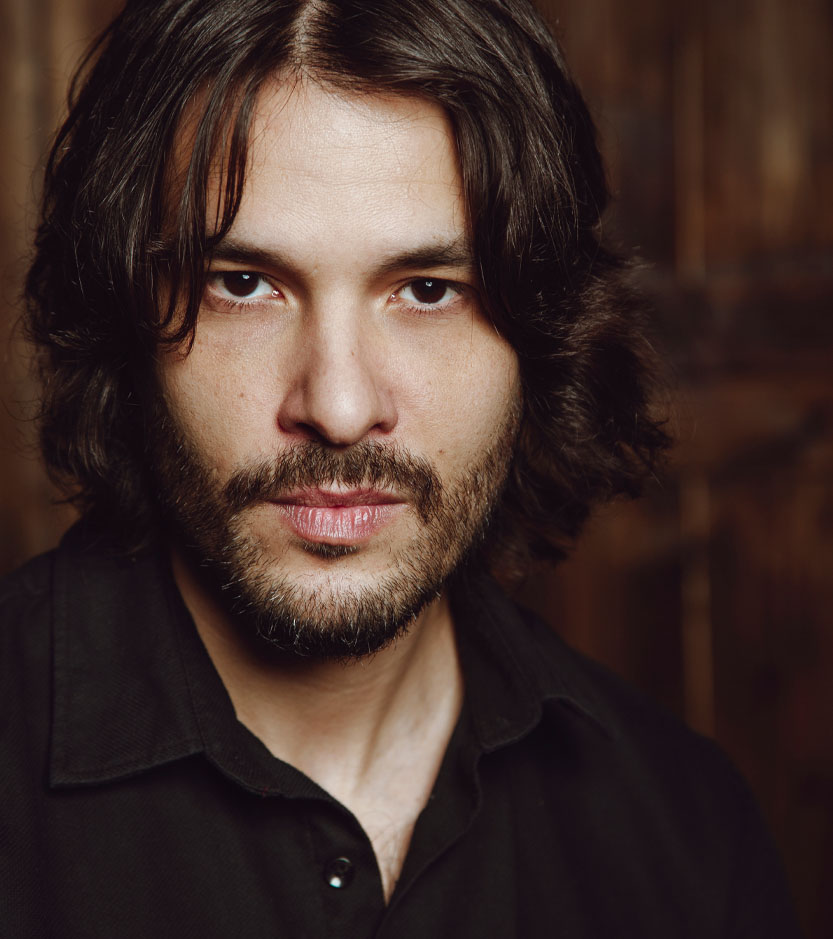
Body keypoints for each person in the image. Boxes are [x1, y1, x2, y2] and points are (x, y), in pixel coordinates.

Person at [2, 0, 800, 935]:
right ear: (126, 318)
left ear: (539, 338)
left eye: (426, 290)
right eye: (243, 285)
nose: (339, 409)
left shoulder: (685, 832)